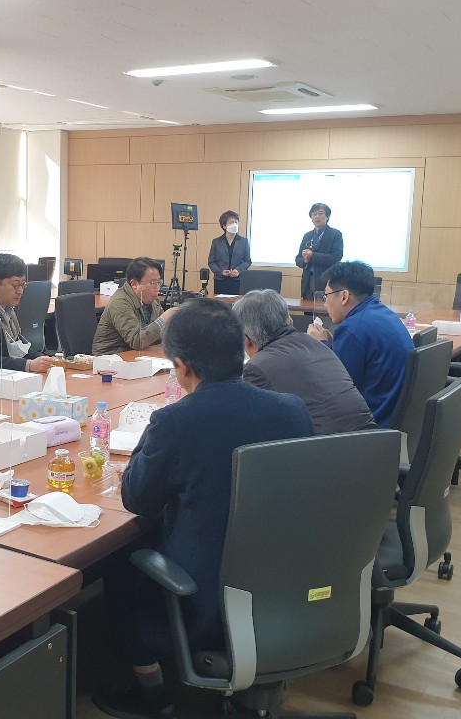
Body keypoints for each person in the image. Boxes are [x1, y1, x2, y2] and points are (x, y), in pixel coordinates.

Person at [93, 299, 313, 719]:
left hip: (205, 602)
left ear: (182, 367)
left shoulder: (176, 421)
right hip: (283, 588)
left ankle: (152, 692)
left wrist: (149, 442)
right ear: (242, 349)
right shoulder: (292, 410)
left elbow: (137, 499)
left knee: (120, 558)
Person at [233, 289, 377, 434]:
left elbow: (256, 425)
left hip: (326, 445)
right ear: (290, 322)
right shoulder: (318, 344)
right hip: (373, 437)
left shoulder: (256, 368)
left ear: (247, 341)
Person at [307, 261, 413, 428]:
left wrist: (320, 344)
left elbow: (334, 386)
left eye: (326, 296)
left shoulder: (352, 329)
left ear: (344, 296)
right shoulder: (383, 313)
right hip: (394, 415)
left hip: (371, 423)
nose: (325, 303)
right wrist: (331, 343)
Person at [92, 257, 178, 355]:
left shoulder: (152, 300)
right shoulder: (120, 303)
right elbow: (137, 341)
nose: (157, 288)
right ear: (134, 284)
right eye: (152, 283)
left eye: (159, 283)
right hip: (110, 357)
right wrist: (163, 319)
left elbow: (162, 333)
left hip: (136, 354)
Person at [295, 203, 343, 301]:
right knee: (306, 309)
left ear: (327, 216)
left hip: (326, 281)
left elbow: (336, 257)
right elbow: (298, 259)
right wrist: (305, 260)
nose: (317, 216)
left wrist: (313, 256)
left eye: (321, 213)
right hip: (307, 281)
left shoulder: (335, 234)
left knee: (324, 309)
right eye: (314, 214)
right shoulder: (307, 236)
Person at [207, 210, 251, 295]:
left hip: (237, 280)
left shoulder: (244, 241)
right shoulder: (216, 242)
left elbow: (247, 261)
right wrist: (221, 272)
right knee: (219, 302)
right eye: (231, 222)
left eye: (236, 222)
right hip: (220, 280)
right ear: (224, 225)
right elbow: (211, 261)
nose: (234, 225)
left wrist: (238, 270)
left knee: (236, 302)